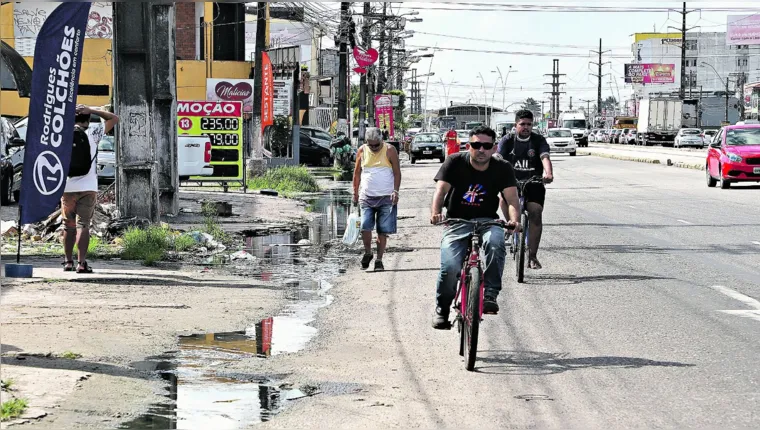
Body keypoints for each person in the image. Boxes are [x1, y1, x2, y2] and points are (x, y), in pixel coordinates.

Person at [430, 126, 521, 329]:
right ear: (468, 146)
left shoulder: (503, 167)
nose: (481, 150)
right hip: (456, 222)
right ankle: (442, 308)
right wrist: (436, 213)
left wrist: (514, 221)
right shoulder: (454, 162)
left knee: (496, 243)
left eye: (487, 146)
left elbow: (512, 199)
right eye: (476, 145)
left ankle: (490, 294)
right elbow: (440, 191)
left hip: (488, 221)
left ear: (494, 148)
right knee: (450, 267)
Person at [62, 105, 119, 273]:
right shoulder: (94, 133)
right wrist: (93, 110)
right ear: (88, 120)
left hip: (67, 186)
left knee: (68, 225)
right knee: (83, 225)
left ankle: (68, 262)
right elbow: (114, 118)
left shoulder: (63, 134)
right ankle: (81, 264)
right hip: (88, 187)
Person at [497, 109, 553, 270]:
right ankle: (510, 224)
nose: (526, 127)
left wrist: (548, 173)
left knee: (535, 212)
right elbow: (498, 157)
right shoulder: (507, 140)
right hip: (510, 182)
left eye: (529, 124)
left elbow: (545, 157)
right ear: (516, 125)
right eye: (522, 124)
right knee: (502, 199)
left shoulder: (538, 140)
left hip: (533, 181)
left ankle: (533, 255)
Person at [352, 127, 401, 272]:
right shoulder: (362, 150)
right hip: (366, 197)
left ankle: (379, 260)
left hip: (386, 197)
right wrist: (355, 192)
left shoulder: (390, 150)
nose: (373, 148)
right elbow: (356, 174)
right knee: (365, 227)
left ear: (381, 140)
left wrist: (395, 191)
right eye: (370, 145)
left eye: (376, 145)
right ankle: (368, 252)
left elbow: (397, 173)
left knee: (382, 231)